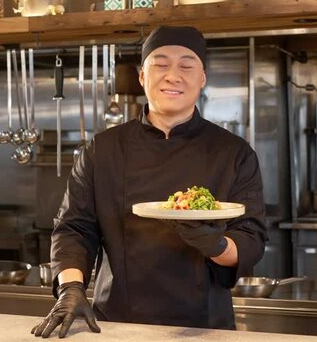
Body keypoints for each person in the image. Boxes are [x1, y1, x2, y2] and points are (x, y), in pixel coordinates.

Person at [31, 25, 267, 338]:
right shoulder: (102, 149)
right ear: (142, 76)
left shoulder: (234, 152)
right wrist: (71, 288)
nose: (173, 75)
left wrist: (217, 245)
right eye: (160, 64)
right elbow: (74, 228)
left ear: (202, 79)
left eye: (186, 65)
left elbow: (251, 236)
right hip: (117, 322)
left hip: (203, 326)